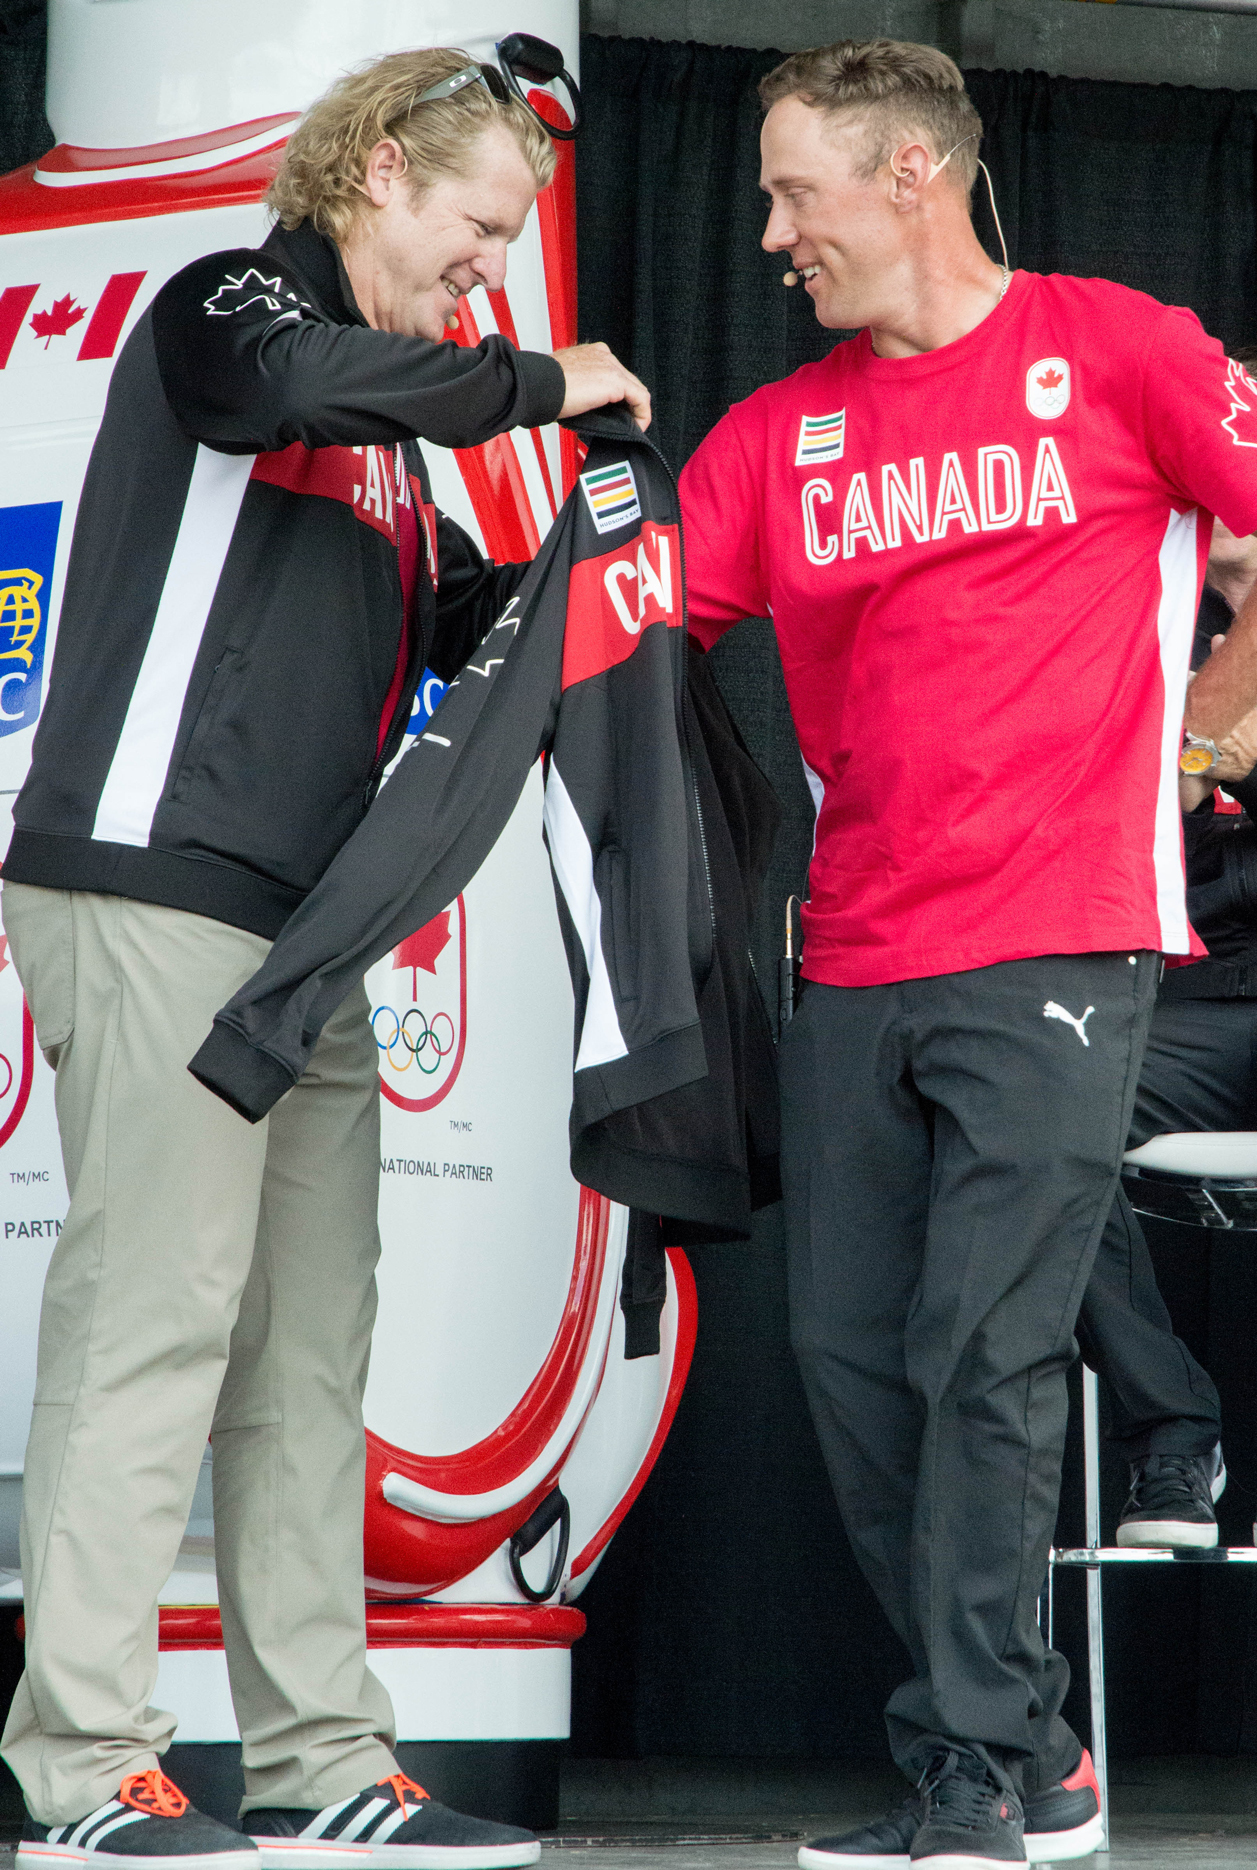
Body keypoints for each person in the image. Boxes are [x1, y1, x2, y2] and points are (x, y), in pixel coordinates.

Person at [676, 37, 1257, 1870]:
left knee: (984, 1351)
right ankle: (1033, 1756)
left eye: (794, 191)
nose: (770, 233)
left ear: (909, 176)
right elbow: (637, 619)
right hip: (854, 945)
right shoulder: (779, 433)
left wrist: (1198, 721)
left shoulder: (1114, 345)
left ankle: (969, 1768)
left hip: (1062, 929)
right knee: (847, 1356)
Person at [0, 46, 648, 1870]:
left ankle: (314, 1761)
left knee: (305, 1354)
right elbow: (273, 385)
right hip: (155, 886)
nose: (488, 273)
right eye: (476, 228)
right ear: (376, 170)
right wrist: (536, 385)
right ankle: (77, 1767)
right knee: (156, 1318)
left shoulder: (390, 446)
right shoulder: (235, 303)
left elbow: (447, 632)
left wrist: (596, 578)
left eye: (509, 248)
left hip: (302, 941)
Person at [1076, 347, 1257, 1553]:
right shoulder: (1126, 623)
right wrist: (1160, 812)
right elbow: (1058, 855)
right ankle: (1168, 1437)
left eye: (1255, 450)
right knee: (1020, 1106)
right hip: (1162, 1000)